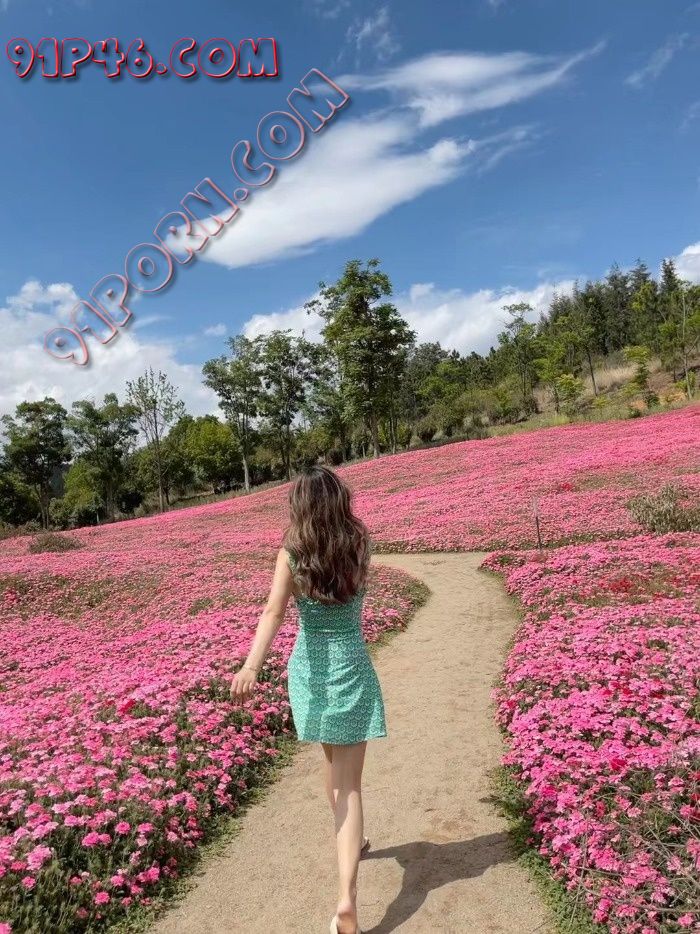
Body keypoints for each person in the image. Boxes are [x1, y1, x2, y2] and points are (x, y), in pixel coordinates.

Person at [230, 465, 387, 934]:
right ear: (340, 501)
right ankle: (347, 898)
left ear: (300, 506)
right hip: (352, 669)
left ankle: (349, 845)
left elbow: (273, 612)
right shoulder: (359, 543)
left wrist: (251, 666)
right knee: (349, 784)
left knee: (334, 773)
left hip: (310, 675)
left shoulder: (292, 553)